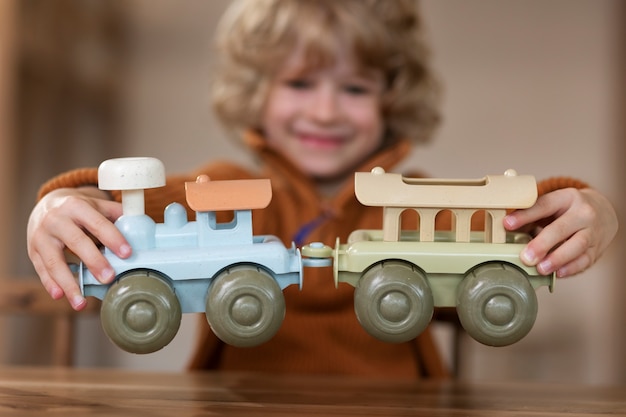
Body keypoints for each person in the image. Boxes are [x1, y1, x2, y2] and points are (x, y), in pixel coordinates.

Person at [26, 0, 618, 378]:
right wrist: (60, 204)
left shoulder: (417, 202)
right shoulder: (229, 187)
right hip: (241, 403)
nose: (326, 110)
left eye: (355, 88)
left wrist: (588, 209)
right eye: (301, 82)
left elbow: (521, 217)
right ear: (256, 91)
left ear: (392, 98)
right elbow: (114, 207)